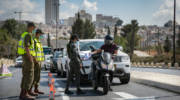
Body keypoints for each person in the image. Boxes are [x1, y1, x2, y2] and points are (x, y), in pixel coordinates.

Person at [18, 22, 36, 100]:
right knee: (29, 75)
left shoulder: (24, 34)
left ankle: (22, 94)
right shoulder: (28, 35)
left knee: (25, 75)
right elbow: (27, 47)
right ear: (30, 27)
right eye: (33, 28)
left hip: (24, 56)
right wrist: (30, 57)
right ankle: (25, 94)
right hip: (27, 57)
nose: (34, 29)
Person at [29, 29, 45, 95]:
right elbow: (32, 51)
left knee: (38, 77)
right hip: (35, 61)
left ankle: (36, 89)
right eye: (40, 34)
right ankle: (30, 91)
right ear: (37, 33)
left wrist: (41, 60)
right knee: (34, 77)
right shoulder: (34, 41)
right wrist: (35, 60)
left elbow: (40, 52)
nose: (41, 35)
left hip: (39, 61)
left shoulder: (39, 41)